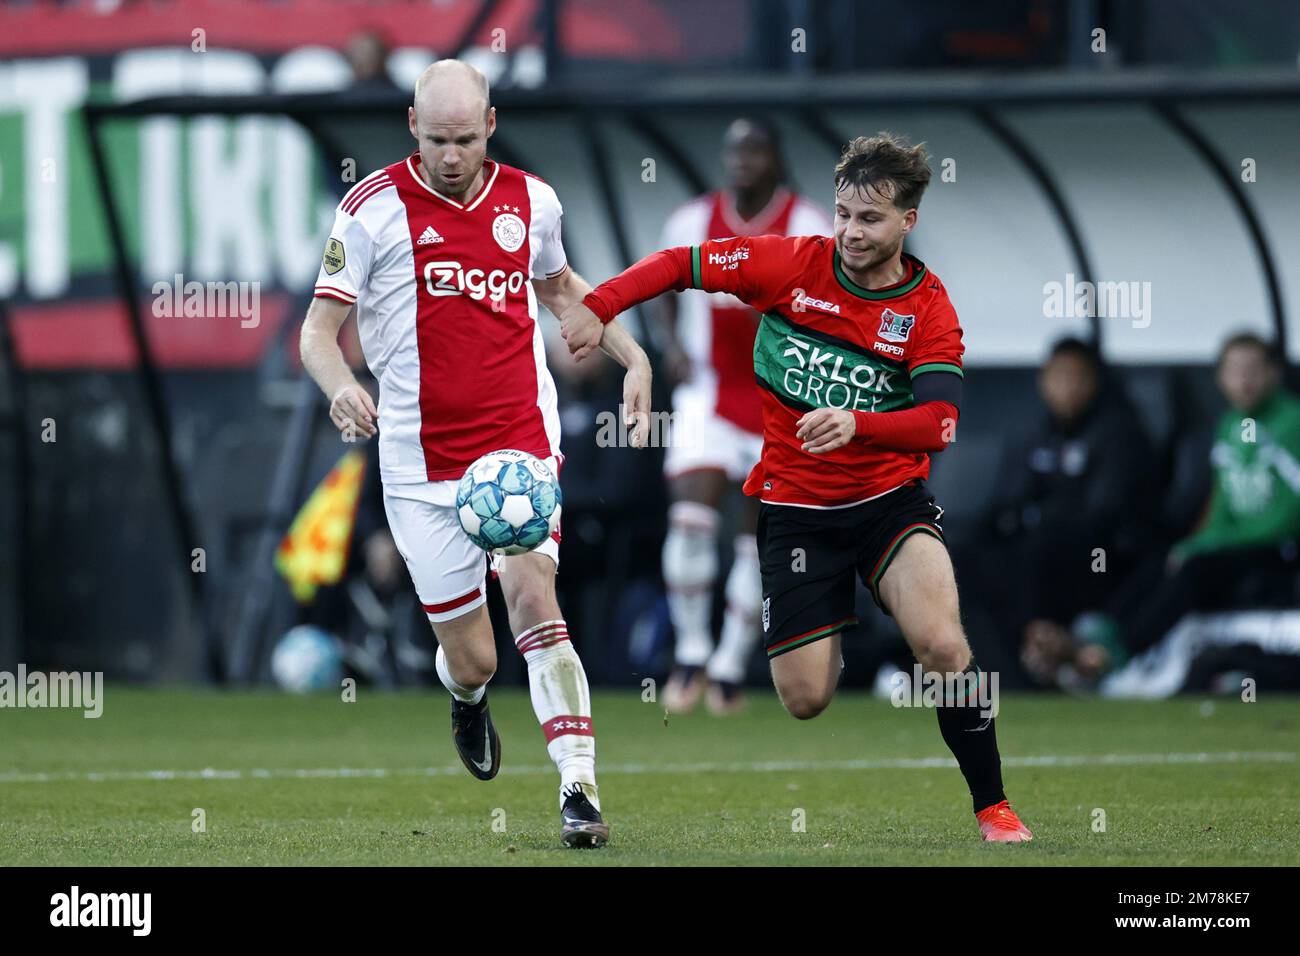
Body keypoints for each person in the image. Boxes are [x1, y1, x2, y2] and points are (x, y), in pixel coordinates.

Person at [563, 132, 1034, 842]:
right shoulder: (792, 263)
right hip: (795, 512)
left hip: (888, 506)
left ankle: (994, 806)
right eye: (843, 212)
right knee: (806, 698)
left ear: (908, 221)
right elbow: (677, 265)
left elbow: (938, 423)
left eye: (869, 218)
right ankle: (824, 621)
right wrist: (600, 305)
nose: (849, 230)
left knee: (940, 645)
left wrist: (859, 425)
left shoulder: (927, 308)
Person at [299, 60, 653, 848]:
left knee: (536, 603)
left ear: (489, 127)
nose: (451, 155)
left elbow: (562, 292)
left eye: (465, 138)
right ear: (411, 129)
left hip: (519, 450)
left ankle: (579, 788)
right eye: (436, 140)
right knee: (475, 658)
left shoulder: (533, 201)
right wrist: (339, 386)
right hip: (419, 469)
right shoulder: (370, 211)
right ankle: (464, 695)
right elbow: (317, 332)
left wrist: (634, 356)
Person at [655, 118, 832, 716]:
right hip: (707, 391)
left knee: (753, 539)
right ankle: (690, 652)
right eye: (734, 151)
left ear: (777, 158)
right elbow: (663, 283)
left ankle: (730, 665)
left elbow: (835, 300)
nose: (742, 161)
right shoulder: (690, 222)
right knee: (688, 518)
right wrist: (671, 345)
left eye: (756, 149)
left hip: (778, 401)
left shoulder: (808, 225)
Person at [1027, 332, 1300, 685]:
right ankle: (1100, 632)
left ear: (1274, 374)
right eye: (1235, 370)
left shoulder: (1292, 423)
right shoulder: (1231, 425)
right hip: (1237, 547)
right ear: (1220, 378)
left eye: (1253, 370)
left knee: (1194, 568)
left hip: (1280, 548)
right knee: (1167, 556)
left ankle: (1109, 655)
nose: (1244, 380)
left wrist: (1215, 544)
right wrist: (1199, 542)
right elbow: (1221, 506)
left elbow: (1289, 513)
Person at [956, 337, 1154, 685]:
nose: (1067, 387)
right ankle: (1003, 673)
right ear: (1043, 382)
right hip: (1033, 557)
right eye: (1058, 377)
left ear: (1095, 382)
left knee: (1041, 547)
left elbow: (1105, 515)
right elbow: (1004, 506)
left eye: (1077, 377)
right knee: (962, 559)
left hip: (1097, 561)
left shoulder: (1118, 434)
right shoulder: (1035, 434)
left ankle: (1042, 651)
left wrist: (1043, 521)